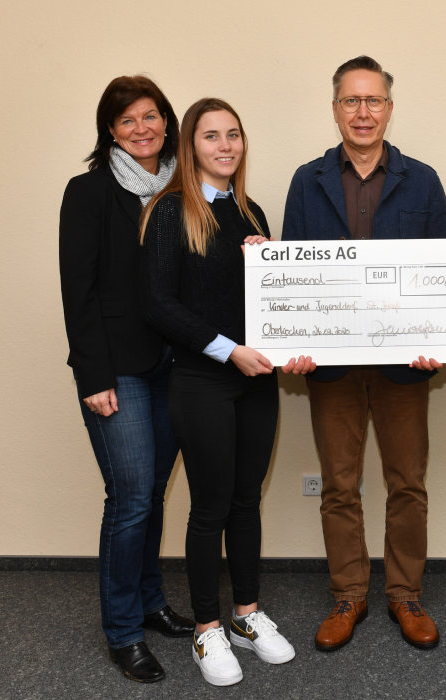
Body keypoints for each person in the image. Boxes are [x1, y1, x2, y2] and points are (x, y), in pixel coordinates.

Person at [281, 55, 446, 652]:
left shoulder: (423, 180)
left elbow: (441, 276)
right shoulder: (307, 181)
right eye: (351, 101)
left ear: (389, 108)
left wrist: (437, 339)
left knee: (408, 483)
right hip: (330, 368)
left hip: (403, 368)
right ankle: (348, 593)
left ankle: (405, 594)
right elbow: (292, 276)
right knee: (339, 485)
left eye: (372, 100)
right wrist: (294, 344)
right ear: (335, 110)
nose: (362, 112)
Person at [141, 98, 312, 686]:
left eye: (233, 135)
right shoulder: (169, 213)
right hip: (203, 380)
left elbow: (272, 302)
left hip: (255, 384)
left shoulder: (251, 212)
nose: (225, 145)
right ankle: (206, 629)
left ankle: (246, 614)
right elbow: (158, 304)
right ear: (190, 147)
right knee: (210, 506)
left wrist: (291, 340)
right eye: (211, 136)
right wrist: (228, 349)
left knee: (245, 500)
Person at [59, 75, 193, 684]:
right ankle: (122, 631)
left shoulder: (183, 189)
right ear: (109, 131)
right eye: (126, 120)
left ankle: (150, 602)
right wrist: (93, 375)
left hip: (175, 362)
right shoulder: (88, 192)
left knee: (154, 492)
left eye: (151, 116)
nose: (141, 128)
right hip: (117, 370)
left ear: (167, 121)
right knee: (132, 498)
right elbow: (77, 292)